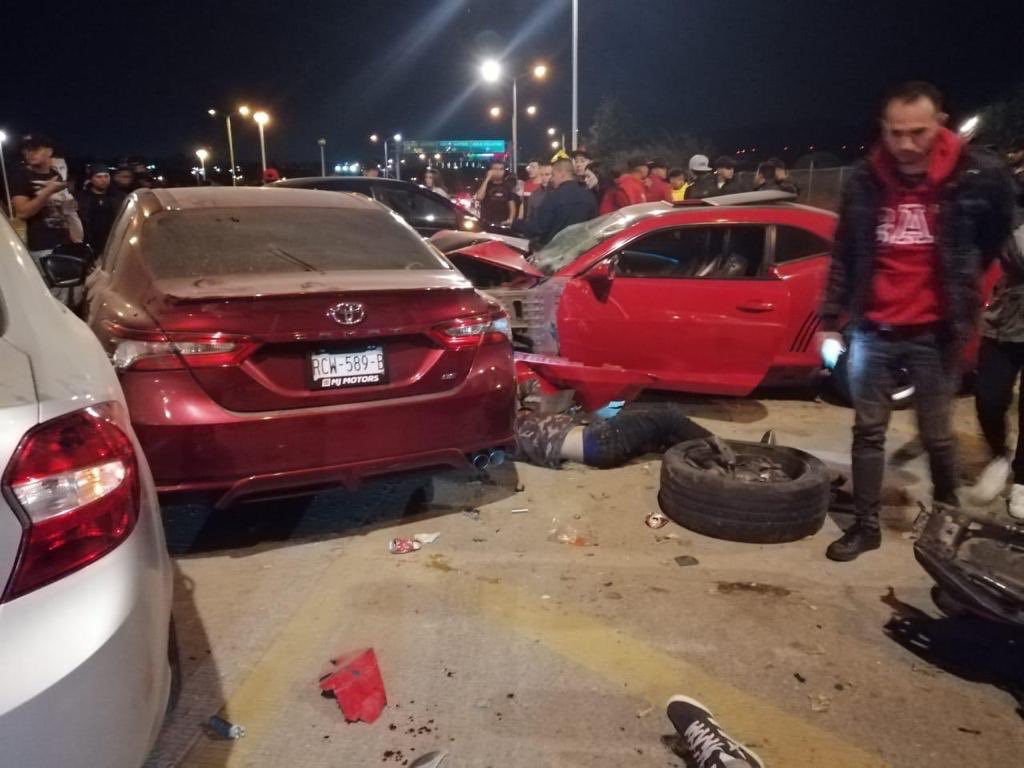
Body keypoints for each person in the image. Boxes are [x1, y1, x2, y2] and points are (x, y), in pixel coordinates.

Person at [818, 81, 1015, 561]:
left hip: (936, 330)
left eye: (918, 132)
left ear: (940, 124)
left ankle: (947, 528)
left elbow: (996, 232)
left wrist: (964, 280)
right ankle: (865, 527)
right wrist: (829, 316)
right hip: (873, 328)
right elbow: (845, 250)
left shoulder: (975, 174)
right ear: (883, 130)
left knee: (938, 433)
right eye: (896, 133)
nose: (906, 144)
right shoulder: (866, 179)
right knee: (868, 430)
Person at [968, 213, 1024, 519]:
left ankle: (1023, 480)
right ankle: (1001, 453)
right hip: (1006, 318)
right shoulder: (1009, 202)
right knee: (989, 397)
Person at [10, 133, 80, 262]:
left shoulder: (56, 174)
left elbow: (65, 211)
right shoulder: (21, 176)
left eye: (35, 149)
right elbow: (22, 213)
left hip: (66, 242)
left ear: (49, 151)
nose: (29, 153)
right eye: (26, 150)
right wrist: (48, 191)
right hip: (42, 246)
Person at [513, 157, 596, 246]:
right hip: (581, 251)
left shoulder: (553, 197)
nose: (551, 179)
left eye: (553, 174)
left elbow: (538, 228)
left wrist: (516, 225)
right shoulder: (589, 196)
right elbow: (594, 225)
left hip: (555, 252)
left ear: (562, 174)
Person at [77, 163, 125, 253]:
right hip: (89, 242)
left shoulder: (119, 197)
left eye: (106, 176)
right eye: (98, 177)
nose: (103, 180)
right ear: (91, 179)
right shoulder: (81, 198)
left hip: (113, 241)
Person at [475, 160, 516, 225]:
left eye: (501, 169)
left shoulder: (508, 186)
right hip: (486, 222)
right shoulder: (485, 184)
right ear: (490, 171)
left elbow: (511, 204)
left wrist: (510, 220)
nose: (498, 172)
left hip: (503, 222)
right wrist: (487, 178)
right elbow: (479, 197)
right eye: (495, 169)